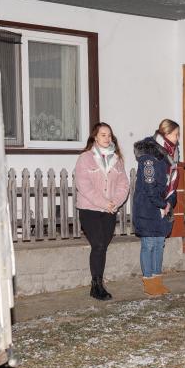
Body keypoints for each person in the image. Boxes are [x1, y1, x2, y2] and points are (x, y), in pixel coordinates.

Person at [74, 122, 130, 300]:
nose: (107, 138)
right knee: (98, 244)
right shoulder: (85, 158)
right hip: (89, 209)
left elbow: (123, 184)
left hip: (109, 210)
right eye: (103, 135)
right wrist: (104, 203)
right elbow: (84, 185)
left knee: (102, 247)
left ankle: (97, 283)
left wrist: (115, 202)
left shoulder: (117, 160)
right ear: (95, 137)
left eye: (109, 135)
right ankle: (97, 285)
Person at [132, 119, 180, 296]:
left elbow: (172, 184)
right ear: (166, 134)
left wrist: (170, 201)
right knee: (149, 244)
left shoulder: (170, 155)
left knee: (160, 243)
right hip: (148, 207)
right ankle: (149, 282)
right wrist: (163, 204)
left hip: (162, 206)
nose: (178, 138)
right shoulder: (149, 155)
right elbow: (149, 187)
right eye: (176, 134)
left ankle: (157, 281)